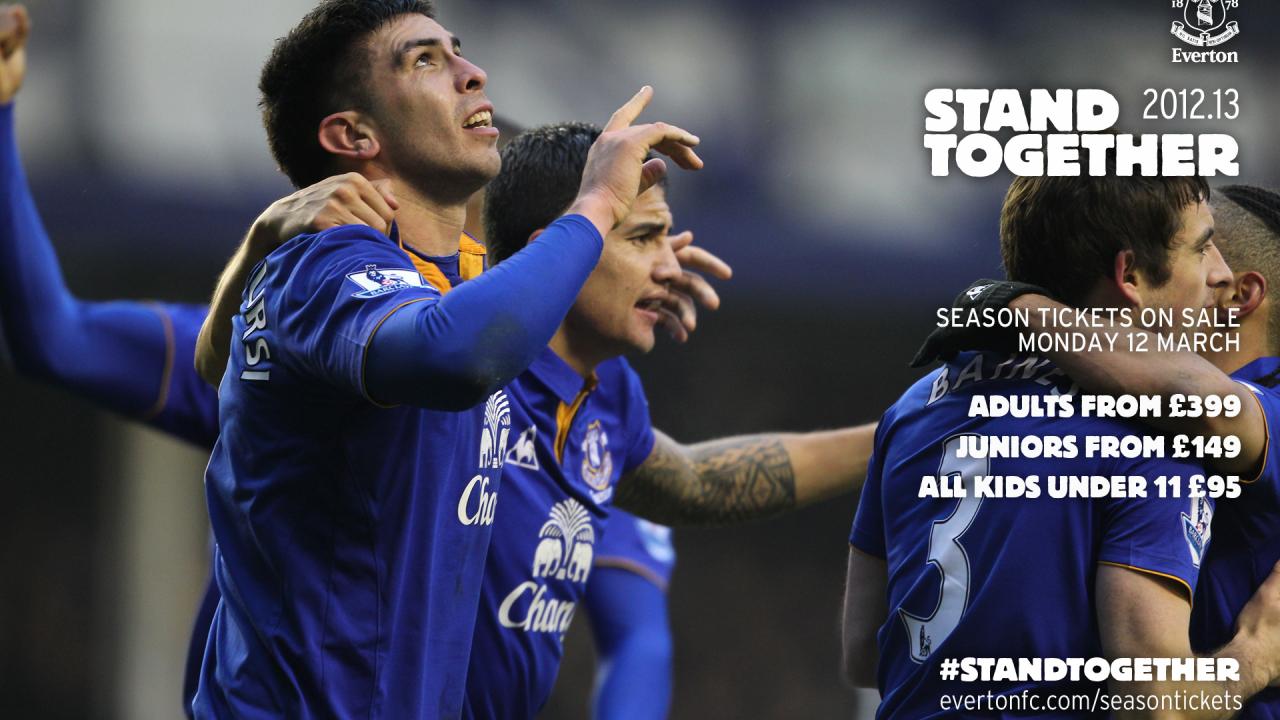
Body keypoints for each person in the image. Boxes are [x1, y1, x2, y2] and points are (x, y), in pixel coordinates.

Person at [190, 0, 702, 716]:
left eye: (457, 50)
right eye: (425, 61)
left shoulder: (453, 280)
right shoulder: (328, 264)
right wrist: (595, 205)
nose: (472, 72)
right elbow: (453, 356)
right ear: (353, 134)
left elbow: (215, 361)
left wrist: (631, 267)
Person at [843, 170, 1280, 718]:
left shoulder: (915, 406)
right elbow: (1157, 702)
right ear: (1130, 274)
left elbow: (864, 652)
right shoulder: (1154, 436)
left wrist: (1020, 306)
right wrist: (1256, 656)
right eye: (1200, 248)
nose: (1218, 273)